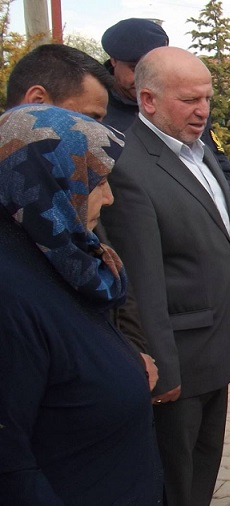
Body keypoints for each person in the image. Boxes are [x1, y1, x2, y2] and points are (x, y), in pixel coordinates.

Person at [99, 47, 230, 506]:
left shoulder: (198, 148)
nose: (203, 110)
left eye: (207, 98)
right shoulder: (129, 166)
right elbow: (141, 280)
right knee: (175, 485)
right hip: (177, 367)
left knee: (199, 477)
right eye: (190, 100)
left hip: (214, 351)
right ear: (147, 100)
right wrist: (162, 367)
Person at [0, 104, 160, 506]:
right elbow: (10, 463)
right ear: (50, 181)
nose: (108, 197)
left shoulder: (60, 255)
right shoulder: (11, 293)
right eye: (97, 181)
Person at [5, 42, 156, 388]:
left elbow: (105, 263)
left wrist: (127, 354)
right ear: (37, 103)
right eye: (90, 119)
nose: (107, 196)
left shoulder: (64, 187)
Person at [100, 17, 230, 189]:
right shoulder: (95, 107)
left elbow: (218, 167)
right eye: (135, 69)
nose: (142, 80)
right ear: (114, 61)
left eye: (151, 72)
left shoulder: (189, 104)